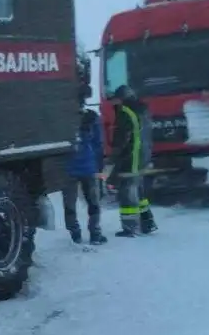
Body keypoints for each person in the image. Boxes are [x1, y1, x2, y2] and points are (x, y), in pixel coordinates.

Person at [108, 85, 158, 237]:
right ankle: (147, 222)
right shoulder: (142, 110)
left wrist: (114, 157)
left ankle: (129, 228)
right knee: (139, 189)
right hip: (144, 156)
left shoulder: (125, 112)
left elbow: (122, 138)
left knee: (127, 191)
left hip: (131, 157)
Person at [63, 84, 107, 245]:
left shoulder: (63, 119)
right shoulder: (92, 117)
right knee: (93, 202)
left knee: (69, 204)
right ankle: (95, 234)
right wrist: (99, 167)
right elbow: (98, 144)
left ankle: (75, 234)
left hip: (68, 168)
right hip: (89, 167)